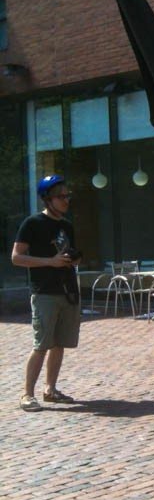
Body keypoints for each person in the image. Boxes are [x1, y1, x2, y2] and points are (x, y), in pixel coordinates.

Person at [11, 175, 81, 412]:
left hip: (67, 291)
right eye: (61, 196)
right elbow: (16, 257)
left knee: (59, 343)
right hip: (45, 293)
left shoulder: (67, 225)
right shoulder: (32, 223)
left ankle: (50, 389)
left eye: (67, 196)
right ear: (47, 199)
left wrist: (74, 259)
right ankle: (27, 395)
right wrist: (50, 262)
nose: (66, 200)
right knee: (41, 344)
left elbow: (68, 253)